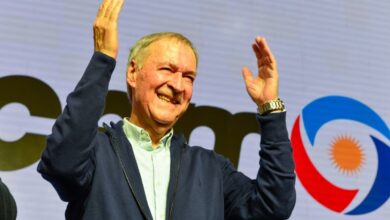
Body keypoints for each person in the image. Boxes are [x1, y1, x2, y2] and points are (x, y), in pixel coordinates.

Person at [38, 0, 296, 219]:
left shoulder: (210, 168)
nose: (177, 85)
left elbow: (274, 206)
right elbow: (61, 165)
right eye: (167, 69)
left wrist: (269, 108)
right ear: (132, 73)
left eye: (189, 77)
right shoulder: (97, 153)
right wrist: (102, 61)